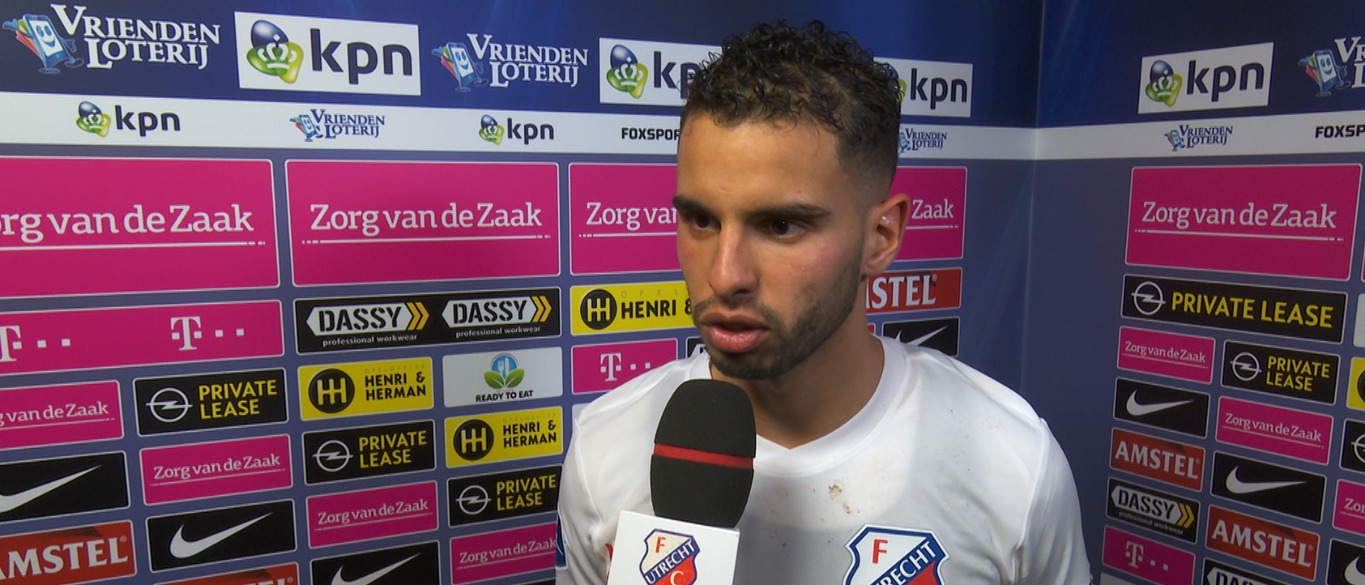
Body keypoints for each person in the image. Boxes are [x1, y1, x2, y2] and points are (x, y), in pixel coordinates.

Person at [556, 20, 1091, 585]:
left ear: (880, 237)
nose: (724, 275)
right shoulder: (605, 451)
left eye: (781, 225)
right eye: (701, 220)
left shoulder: (1014, 467)